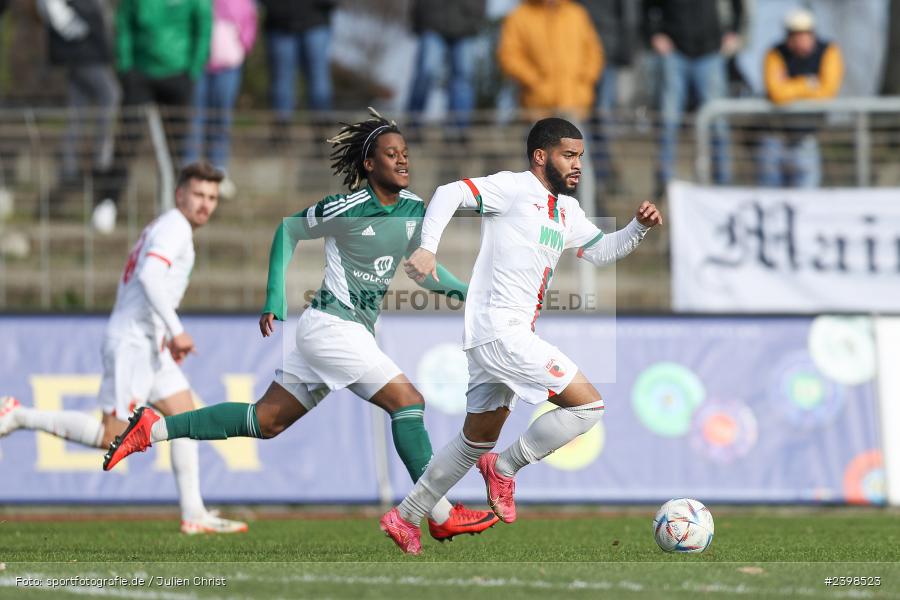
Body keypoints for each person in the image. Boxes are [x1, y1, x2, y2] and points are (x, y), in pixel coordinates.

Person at [101, 109, 500, 542]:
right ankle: (438, 511)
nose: (403, 161)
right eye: (391, 154)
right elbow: (289, 230)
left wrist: (470, 294)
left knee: (264, 421)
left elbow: (423, 269)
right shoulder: (348, 207)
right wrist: (275, 294)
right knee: (408, 402)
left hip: (343, 334)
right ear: (369, 164)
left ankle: (150, 429)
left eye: (405, 153)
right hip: (332, 327)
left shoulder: (413, 209)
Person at [379, 117, 662, 555]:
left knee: (474, 440)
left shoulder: (566, 210)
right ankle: (505, 468)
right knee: (589, 406)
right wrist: (428, 247)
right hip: (500, 331)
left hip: (500, 337)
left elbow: (602, 251)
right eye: (569, 155)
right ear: (540, 156)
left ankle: (406, 516)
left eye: (580, 157)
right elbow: (448, 193)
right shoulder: (513, 189)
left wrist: (638, 227)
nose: (577, 165)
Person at [0, 162, 246, 535]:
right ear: (180, 194)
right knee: (110, 437)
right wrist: (178, 331)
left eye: (211, 197)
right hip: (132, 342)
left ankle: (193, 513)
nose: (205, 204)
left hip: (150, 343)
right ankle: (19, 416)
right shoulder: (174, 227)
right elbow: (149, 275)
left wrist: (165, 334)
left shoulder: (169, 227)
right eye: (198, 194)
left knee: (187, 418)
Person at [91, 0, 212, 234]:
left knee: (176, 148)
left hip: (179, 75)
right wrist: (125, 66)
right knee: (127, 139)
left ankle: (176, 209)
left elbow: (203, 27)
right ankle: (108, 202)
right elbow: (123, 24)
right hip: (140, 74)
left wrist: (193, 69)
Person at [645, 0, 743, 195]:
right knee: (669, 120)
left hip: (710, 52)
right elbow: (646, 7)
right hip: (674, 53)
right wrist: (654, 34)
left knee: (718, 122)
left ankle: (723, 182)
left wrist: (734, 30)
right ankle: (665, 183)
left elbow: (737, 5)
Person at [37, 0, 120, 193]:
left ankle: (70, 165)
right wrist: (82, 33)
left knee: (77, 109)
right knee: (110, 95)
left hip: (88, 52)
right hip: (83, 53)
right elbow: (52, 9)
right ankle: (101, 159)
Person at [758, 8, 843, 188]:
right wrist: (809, 83)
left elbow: (827, 91)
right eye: (795, 35)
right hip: (775, 137)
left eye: (805, 34)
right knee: (769, 199)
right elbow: (777, 93)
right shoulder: (775, 54)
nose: (800, 40)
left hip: (807, 139)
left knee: (806, 200)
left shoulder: (828, 51)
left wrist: (790, 85)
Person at [183, 0, 257, 199]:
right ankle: (190, 171)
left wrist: (244, 45)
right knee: (195, 119)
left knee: (221, 120)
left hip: (228, 66)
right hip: (199, 64)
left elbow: (249, 21)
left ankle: (218, 171)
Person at [497, 0, 603, 118]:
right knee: (537, 135)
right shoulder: (519, 16)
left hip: (575, 103)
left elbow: (594, 51)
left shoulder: (576, 14)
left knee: (578, 135)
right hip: (538, 105)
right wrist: (534, 80)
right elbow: (509, 56)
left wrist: (585, 80)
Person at [406, 0, 486, 138]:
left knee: (464, 77)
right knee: (427, 71)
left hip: (465, 25)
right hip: (431, 22)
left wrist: (475, 18)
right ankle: (413, 123)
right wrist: (418, 20)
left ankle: (459, 129)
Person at [259, 0, 334, 140]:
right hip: (279, 24)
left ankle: (322, 135)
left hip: (315, 21)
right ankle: (280, 135)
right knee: (281, 83)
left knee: (318, 81)